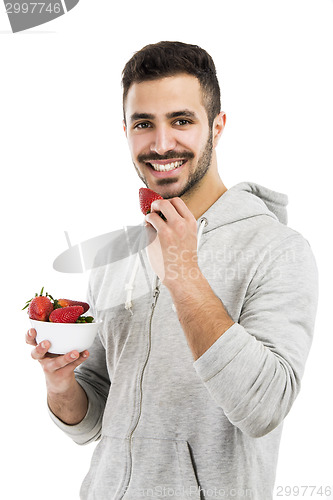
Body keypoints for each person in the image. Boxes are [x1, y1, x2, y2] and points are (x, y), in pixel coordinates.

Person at [26, 41, 318, 500]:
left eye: (182, 120)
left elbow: (265, 407)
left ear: (217, 127)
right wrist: (61, 383)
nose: (161, 143)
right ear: (125, 131)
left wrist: (183, 275)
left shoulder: (278, 250)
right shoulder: (116, 254)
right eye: (144, 124)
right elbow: (95, 418)